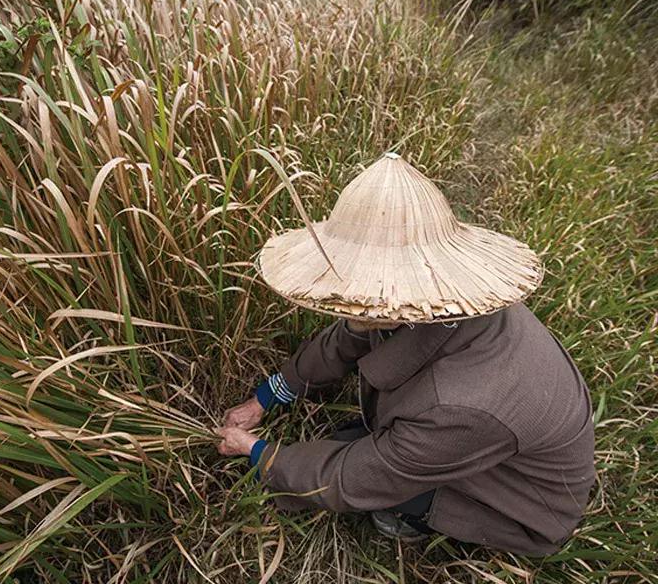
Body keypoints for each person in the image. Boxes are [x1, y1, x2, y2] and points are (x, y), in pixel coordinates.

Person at [215, 152, 595, 556]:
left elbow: (356, 479)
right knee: (356, 441)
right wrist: (267, 397)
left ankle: (419, 519)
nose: (354, 308)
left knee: (371, 471)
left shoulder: (459, 407)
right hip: (476, 435)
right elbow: (349, 336)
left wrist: (257, 452)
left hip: (523, 505)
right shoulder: (438, 298)